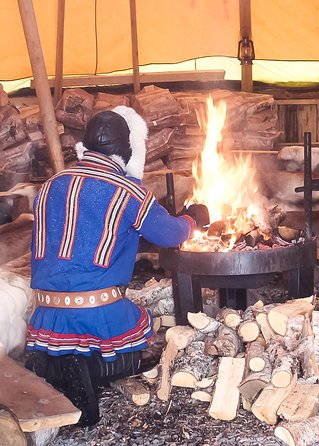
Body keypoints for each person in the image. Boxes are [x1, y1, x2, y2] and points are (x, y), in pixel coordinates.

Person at [24, 106, 209, 426]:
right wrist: (193, 220)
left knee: (68, 344)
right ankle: (90, 370)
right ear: (127, 150)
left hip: (46, 312)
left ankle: (54, 365)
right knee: (148, 345)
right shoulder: (128, 191)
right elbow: (169, 235)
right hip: (97, 312)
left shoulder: (49, 185)